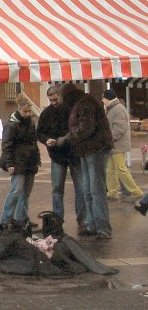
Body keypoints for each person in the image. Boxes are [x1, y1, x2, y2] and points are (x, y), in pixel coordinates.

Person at [52, 82, 113, 240]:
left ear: (68, 96)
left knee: (96, 190)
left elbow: (86, 128)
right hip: (86, 150)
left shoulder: (86, 103)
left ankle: (103, 228)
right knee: (88, 190)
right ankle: (92, 225)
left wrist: (66, 138)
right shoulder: (81, 103)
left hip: (96, 149)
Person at [36, 84, 86, 229]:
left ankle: (82, 218)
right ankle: (58, 220)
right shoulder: (46, 113)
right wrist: (46, 140)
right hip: (57, 155)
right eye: (50, 100)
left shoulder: (71, 110)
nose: (53, 103)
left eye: (55, 99)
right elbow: (40, 133)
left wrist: (65, 139)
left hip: (74, 154)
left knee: (81, 188)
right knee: (57, 189)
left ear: (61, 96)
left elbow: (78, 129)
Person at [0, 94, 40, 228]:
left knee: (26, 193)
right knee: (16, 191)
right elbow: (7, 145)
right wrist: (9, 164)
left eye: (29, 112)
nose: (27, 114)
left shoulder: (31, 123)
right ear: (19, 109)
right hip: (18, 162)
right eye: (25, 111)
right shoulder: (12, 125)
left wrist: (37, 159)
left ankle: (22, 218)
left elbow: (33, 142)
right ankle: (5, 220)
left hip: (30, 161)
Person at [102, 88, 143, 200]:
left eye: (103, 98)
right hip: (112, 145)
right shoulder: (112, 108)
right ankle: (112, 192)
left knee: (120, 169)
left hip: (117, 145)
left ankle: (136, 191)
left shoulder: (118, 109)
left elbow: (119, 129)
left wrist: (108, 139)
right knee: (110, 170)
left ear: (108, 98)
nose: (102, 100)